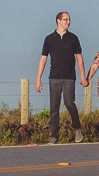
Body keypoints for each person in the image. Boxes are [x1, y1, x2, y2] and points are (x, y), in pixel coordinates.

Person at [35, 11, 87, 144]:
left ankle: (77, 129)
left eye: (69, 20)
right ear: (58, 21)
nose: (68, 22)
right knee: (54, 107)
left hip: (69, 77)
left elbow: (79, 58)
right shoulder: (49, 39)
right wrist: (38, 79)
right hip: (54, 77)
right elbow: (43, 59)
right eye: (65, 20)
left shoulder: (73, 38)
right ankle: (54, 135)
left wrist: (83, 76)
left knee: (69, 103)